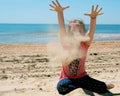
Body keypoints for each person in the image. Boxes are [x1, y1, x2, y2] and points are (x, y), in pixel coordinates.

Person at [49, 0, 114, 95]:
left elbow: (91, 31)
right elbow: (62, 27)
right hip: (67, 79)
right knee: (61, 88)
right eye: (73, 29)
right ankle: (83, 86)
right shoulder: (65, 43)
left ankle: (103, 85)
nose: (75, 31)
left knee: (101, 87)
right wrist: (60, 12)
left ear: (83, 32)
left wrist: (93, 18)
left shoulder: (85, 44)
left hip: (83, 78)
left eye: (78, 29)